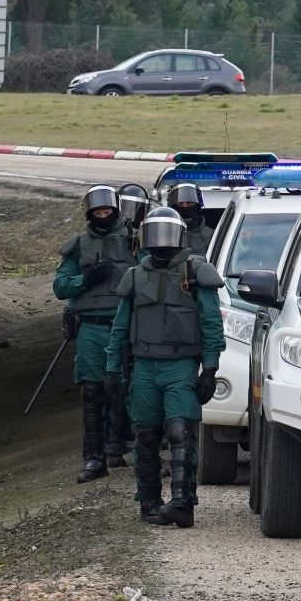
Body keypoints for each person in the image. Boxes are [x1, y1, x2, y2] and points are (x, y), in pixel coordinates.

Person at [106, 207, 225, 528]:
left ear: (179, 237)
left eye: (166, 234)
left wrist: (210, 370)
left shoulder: (196, 273)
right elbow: (120, 327)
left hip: (181, 366)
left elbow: (211, 324)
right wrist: (113, 369)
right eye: (154, 235)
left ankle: (183, 503)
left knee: (180, 431)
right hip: (144, 367)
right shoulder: (134, 277)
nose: (161, 243)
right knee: (146, 435)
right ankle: (149, 501)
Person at [54, 185, 138, 482]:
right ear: (89, 214)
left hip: (125, 325)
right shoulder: (78, 245)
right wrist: (86, 279)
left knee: (127, 389)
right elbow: (60, 287)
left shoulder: (134, 241)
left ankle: (130, 449)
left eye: (107, 211)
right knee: (92, 391)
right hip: (91, 326)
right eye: (97, 212)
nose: (103, 216)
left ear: (116, 211)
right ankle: (94, 458)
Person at [167, 182, 211, 257]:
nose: (185, 207)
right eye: (180, 204)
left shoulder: (211, 235)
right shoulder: (165, 234)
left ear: (197, 207)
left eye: (189, 203)